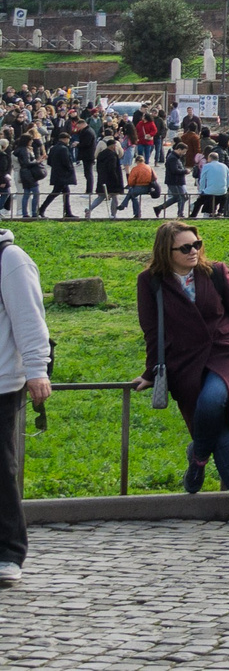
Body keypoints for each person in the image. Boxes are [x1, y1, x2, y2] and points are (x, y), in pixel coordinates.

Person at [131, 220, 229, 528]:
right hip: (185, 361)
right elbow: (151, 330)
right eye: (185, 248)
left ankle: (199, 455)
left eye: (197, 244)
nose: (193, 251)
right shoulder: (150, 281)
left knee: (212, 403)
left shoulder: (215, 272)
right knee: (217, 422)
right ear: (166, 252)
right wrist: (151, 372)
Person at [0, 222, 51, 585]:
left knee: (0, 469)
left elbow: (30, 319)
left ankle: (8, 551)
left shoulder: (10, 259)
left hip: (2, 382)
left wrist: (37, 370)